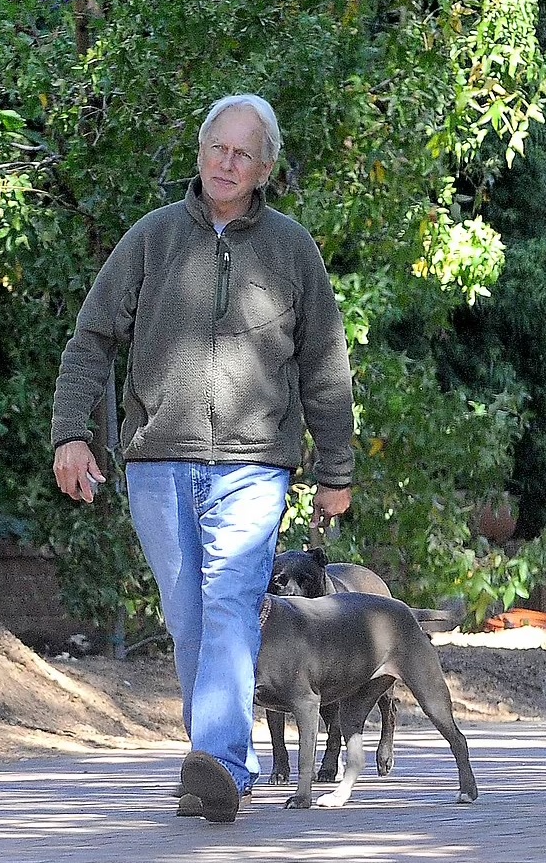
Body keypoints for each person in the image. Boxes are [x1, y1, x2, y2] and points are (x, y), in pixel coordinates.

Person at [51, 94, 354, 822]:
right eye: (218, 146)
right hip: (159, 462)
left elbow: (324, 362)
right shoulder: (152, 237)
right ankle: (210, 766)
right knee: (189, 619)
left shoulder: (292, 249)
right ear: (200, 151)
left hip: (256, 464)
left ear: (265, 169)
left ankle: (219, 765)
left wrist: (336, 470)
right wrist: (70, 433)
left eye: (243, 153)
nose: (227, 162)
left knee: (231, 606)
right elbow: (91, 339)